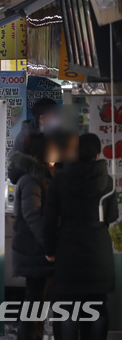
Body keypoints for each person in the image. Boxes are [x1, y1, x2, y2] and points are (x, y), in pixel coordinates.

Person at [45, 134, 117, 340]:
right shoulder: (107, 181)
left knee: (67, 308)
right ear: (97, 154)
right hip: (98, 252)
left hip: (68, 250)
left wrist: (50, 251)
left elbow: (49, 220)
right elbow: (111, 216)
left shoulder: (60, 179)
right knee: (97, 307)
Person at [9, 134, 54, 340]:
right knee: (35, 303)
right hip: (34, 250)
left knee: (36, 302)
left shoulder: (36, 177)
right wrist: (49, 245)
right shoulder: (31, 179)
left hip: (33, 249)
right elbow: (32, 215)